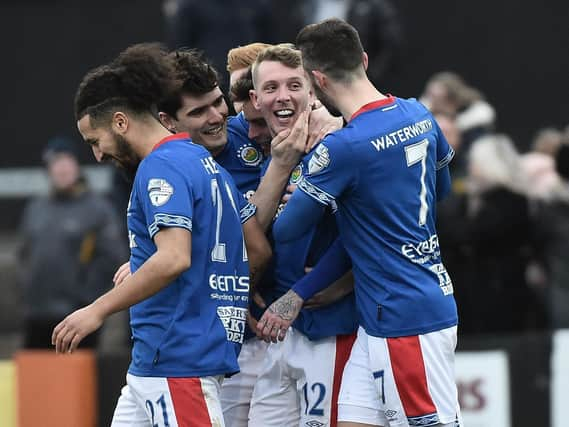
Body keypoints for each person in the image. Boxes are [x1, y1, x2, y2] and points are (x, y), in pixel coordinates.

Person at [52, 44, 271, 426]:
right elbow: (256, 247)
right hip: (153, 363)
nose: (99, 155)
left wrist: (96, 310)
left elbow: (173, 258)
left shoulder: (160, 168)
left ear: (120, 122)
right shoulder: (206, 163)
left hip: (178, 361)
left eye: (94, 141)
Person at [259, 19, 461, 427]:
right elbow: (442, 190)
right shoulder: (418, 113)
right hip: (390, 313)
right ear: (364, 60)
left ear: (316, 81)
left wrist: (296, 178)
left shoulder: (342, 148)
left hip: (404, 319)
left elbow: (285, 230)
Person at [247, 44, 358, 427]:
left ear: (313, 90)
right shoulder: (260, 148)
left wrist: (310, 290)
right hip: (280, 336)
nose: (283, 96)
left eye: (294, 85)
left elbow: (362, 234)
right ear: (255, 99)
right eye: (272, 87)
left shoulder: (342, 146)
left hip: (331, 328)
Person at [19, 136, 124, 349]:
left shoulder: (97, 209)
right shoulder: (36, 208)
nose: (62, 169)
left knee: (75, 380)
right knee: (37, 380)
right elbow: (25, 253)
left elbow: (112, 257)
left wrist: (86, 298)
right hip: (36, 314)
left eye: (67, 161)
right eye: (56, 163)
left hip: (77, 316)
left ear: (77, 165)